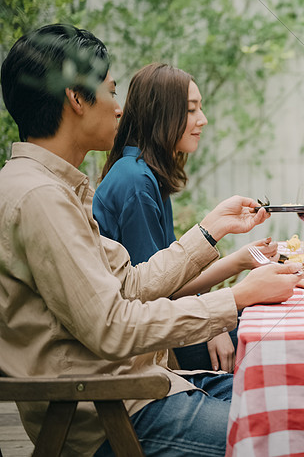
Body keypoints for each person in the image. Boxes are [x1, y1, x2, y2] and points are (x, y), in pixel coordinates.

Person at [0, 24, 302, 456]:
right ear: (76, 99)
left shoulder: (54, 187)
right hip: (110, 409)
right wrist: (234, 301)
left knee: (289, 401)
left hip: (141, 386)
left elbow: (131, 285)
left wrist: (210, 228)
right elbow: (113, 327)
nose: (119, 109)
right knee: (287, 436)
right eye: (110, 91)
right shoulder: (41, 198)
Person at [94, 62, 267, 372]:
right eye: (191, 110)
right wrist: (214, 324)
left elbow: (172, 279)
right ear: (160, 115)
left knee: (263, 317)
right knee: (266, 339)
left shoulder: (146, 174)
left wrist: (242, 260)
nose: (203, 119)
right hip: (147, 348)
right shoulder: (136, 182)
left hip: (160, 323)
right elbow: (152, 293)